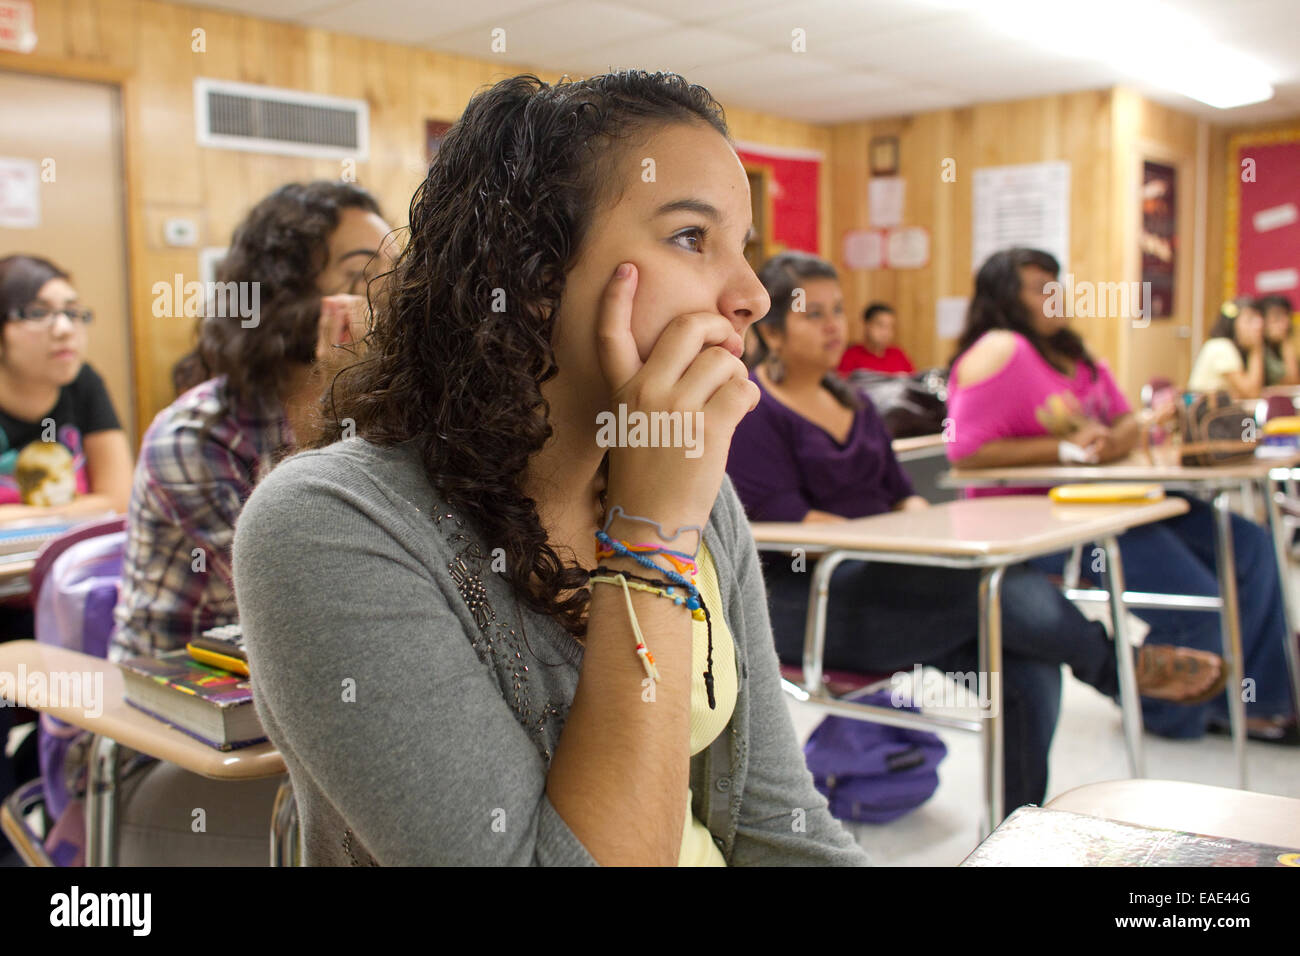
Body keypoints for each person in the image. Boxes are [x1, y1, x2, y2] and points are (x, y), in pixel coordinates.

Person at [232, 71, 871, 867]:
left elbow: (778, 823)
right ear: (533, 278)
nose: (752, 296)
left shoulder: (694, 484)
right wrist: (651, 540)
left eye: (742, 247)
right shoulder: (326, 526)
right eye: (689, 237)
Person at [726, 250, 1225, 817]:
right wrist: (899, 538)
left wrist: (913, 527)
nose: (834, 325)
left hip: (901, 587)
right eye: (813, 313)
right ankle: (1117, 670)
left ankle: (1015, 839)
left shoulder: (856, 402)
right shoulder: (754, 407)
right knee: (999, 589)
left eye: (839, 309)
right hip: (813, 605)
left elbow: (902, 490)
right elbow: (787, 522)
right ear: (769, 328)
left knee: (1027, 666)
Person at [947, 247, 1296, 744]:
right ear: (1003, 297)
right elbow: (965, 453)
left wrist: (1120, 436)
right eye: (1037, 286)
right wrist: (1065, 446)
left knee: (1251, 545)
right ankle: (1169, 708)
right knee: (1194, 594)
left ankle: (1257, 703)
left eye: (1056, 283)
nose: (1054, 296)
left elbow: (1124, 418)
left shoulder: (1073, 354)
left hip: (1116, 497)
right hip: (1047, 515)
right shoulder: (1000, 348)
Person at [113, 181, 392, 659]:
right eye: (361, 274)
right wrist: (345, 402)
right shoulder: (195, 437)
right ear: (282, 295)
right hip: (178, 699)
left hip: (310, 676)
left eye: (396, 275)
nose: (386, 297)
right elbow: (305, 593)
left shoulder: (385, 407)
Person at [0, 255, 132, 522]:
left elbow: (121, 500)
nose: (64, 329)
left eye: (73, 313)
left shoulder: (84, 382)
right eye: (37, 313)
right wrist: (80, 511)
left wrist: (22, 518)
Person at [1188, 297, 1266, 397]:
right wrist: (1256, 349)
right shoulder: (1221, 346)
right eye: (1249, 320)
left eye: (1259, 320)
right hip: (1207, 411)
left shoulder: (1236, 348)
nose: (1258, 326)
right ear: (1232, 323)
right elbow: (1252, 392)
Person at [837, 302, 915, 376]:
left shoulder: (898, 354)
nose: (886, 332)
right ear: (867, 325)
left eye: (890, 327)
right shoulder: (850, 356)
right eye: (880, 325)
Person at [1260, 294, 1299, 387]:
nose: (1285, 323)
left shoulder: (1293, 340)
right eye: (1276, 318)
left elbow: (1294, 381)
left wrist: (1285, 342)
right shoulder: (1255, 347)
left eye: (1286, 316)